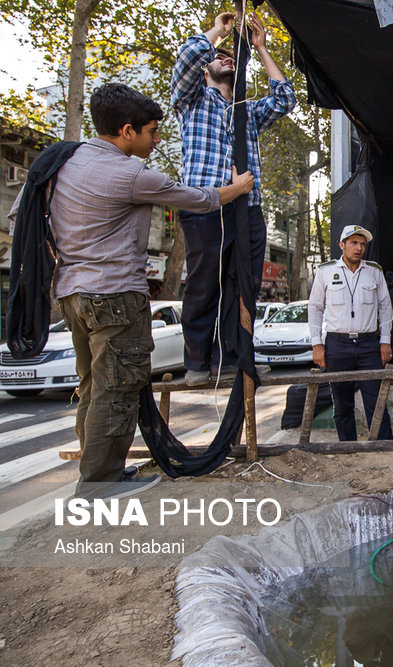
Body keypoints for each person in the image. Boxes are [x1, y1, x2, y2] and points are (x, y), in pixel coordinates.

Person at [7, 83, 254, 501]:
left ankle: (95, 467)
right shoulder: (130, 175)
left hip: (72, 294)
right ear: (126, 131)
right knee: (116, 388)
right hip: (116, 296)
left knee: (92, 385)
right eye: (152, 131)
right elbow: (199, 198)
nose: (157, 139)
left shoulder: (62, 162)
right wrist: (240, 187)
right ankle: (100, 482)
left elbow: (20, 221)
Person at [170, 10, 296, 385]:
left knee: (243, 286)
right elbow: (189, 55)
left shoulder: (247, 111)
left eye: (230, 58)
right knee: (204, 283)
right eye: (220, 58)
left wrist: (260, 48)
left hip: (248, 209)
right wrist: (220, 33)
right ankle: (197, 362)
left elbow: (285, 97)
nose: (226, 58)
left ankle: (235, 358)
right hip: (205, 205)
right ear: (206, 71)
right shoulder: (192, 100)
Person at [308, 225, 393, 441]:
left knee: (377, 401)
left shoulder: (374, 271)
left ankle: (384, 447)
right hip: (338, 345)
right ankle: (348, 447)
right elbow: (315, 308)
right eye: (354, 243)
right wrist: (317, 344)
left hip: (368, 345)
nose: (359, 248)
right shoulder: (325, 271)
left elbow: (385, 307)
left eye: (362, 244)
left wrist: (385, 341)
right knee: (341, 401)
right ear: (342, 245)